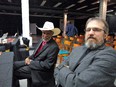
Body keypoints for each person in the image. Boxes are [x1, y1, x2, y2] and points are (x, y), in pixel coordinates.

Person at [54, 17, 116, 87]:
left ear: (105, 35)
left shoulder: (109, 56)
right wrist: (69, 74)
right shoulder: (77, 49)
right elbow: (56, 69)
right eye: (88, 30)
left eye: (96, 30)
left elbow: (78, 84)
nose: (91, 33)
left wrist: (63, 70)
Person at [13, 21, 61, 87]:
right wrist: (29, 57)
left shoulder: (54, 47)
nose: (45, 35)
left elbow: (47, 65)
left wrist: (31, 63)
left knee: (14, 72)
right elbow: (36, 53)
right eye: (44, 33)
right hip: (33, 63)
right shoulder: (41, 40)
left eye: (48, 33)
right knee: (13, 65)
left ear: (52, 34)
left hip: (40, 71)